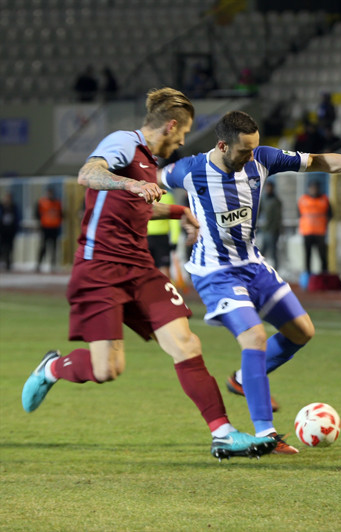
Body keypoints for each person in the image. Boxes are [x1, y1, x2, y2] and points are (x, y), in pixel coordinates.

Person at [21, 88, 276, 461]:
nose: (183, 142)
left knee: (186, 344)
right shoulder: (124, 143)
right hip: (100, 268)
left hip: (139, 268)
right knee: (107, 369)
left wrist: (178, 212)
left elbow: (134, 207)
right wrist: (130, 183)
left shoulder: (148, 164)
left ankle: (222, 434)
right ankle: (54, 368)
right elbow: (88, 174)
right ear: (171, 126)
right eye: (183, 133)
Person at [160, 110, 341, 454]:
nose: (251, 156)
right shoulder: (190, 170)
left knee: (302, 331)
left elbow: (317, 161)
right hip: (215, 272)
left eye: (254, 149)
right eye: (244, 150)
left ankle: (242, 379)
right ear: (222, 145)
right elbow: (150, 182)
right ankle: (266, 433)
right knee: (255, 336)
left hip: (253, 265)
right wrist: (176, 213)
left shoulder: (261, 159)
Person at [298, 180, 333, 275]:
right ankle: (308, 274)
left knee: (322, 255)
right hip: (307, 232)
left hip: (320, 232)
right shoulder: (303, 200)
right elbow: (299, 214)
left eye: (315, 188)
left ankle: (324, 274)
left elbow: (330, 214)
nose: (314, 190)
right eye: (312, 188)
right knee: (308, 255)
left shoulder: (324, 199)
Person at [147, 190, 180, 277]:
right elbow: (173, 220)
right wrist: (174, 240)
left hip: (151, 237)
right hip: (157, 238)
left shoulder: (142, 194)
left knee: (151, 268)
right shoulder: (167, 196)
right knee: (162, 268)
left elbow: (173, 220)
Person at [36, 186, 63, 272]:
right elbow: (37, 214)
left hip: (54, 227)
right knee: (43, 246)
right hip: (45, 227)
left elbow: (61, 214)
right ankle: (39, 264)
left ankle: (53, 265)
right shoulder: (42, 202)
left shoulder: (57, 203)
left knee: (54, 247)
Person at [258, 180, 282, 270]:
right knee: (262, 251)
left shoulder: (276, 201)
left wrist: (275, 229)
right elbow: (259, 213)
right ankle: (259, 269)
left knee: (273, 252)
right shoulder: (263, 199)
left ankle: (276, 270)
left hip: (273, 231)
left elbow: (278, 218)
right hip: (265, 230)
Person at [0, 192, 20, 270]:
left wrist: (16, 228)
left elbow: (17, 218)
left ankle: (8, 262)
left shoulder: (14, 207)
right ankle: (3, 260)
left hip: (11, 230)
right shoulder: (1, 207)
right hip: (2, 230)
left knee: (10, 246)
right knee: (2, 246)